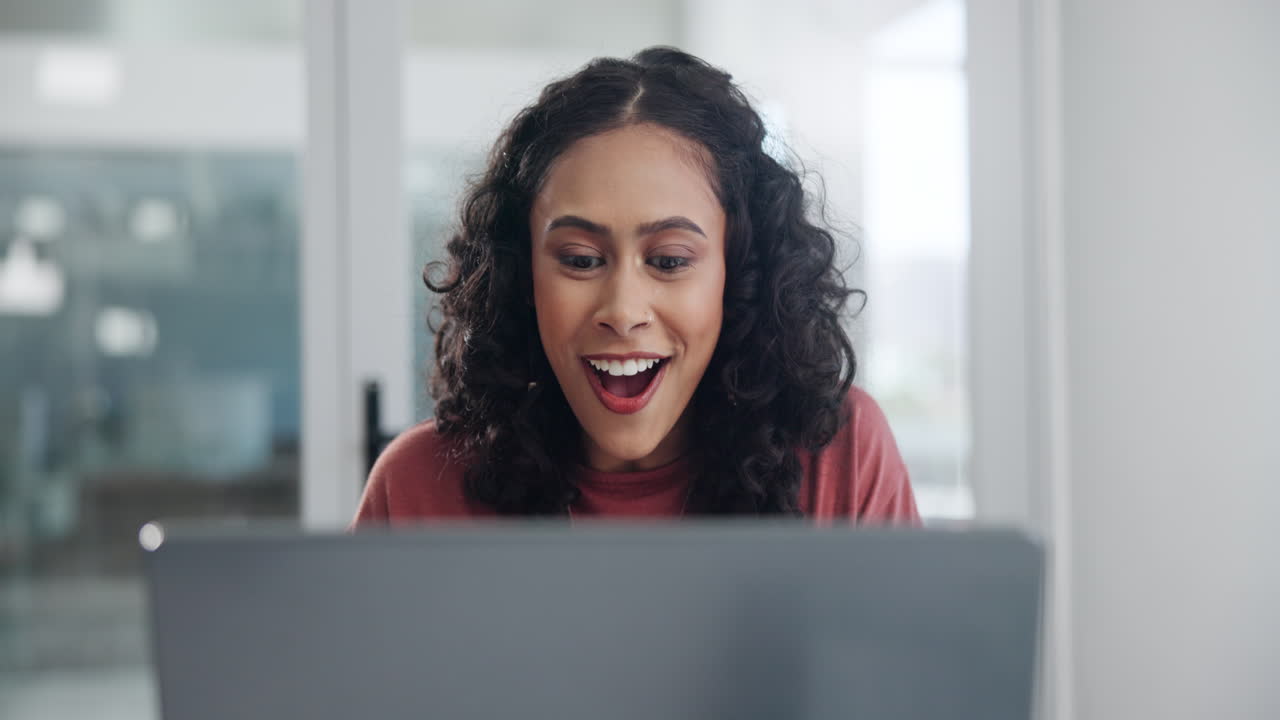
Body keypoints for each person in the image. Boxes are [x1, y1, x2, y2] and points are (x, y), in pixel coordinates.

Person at [352, 47, 919, 526]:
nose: (622, 312)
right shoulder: (416, 488)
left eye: (670, 261)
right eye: (579, 259)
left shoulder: (839, 455)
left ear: (739, 274)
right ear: (523, 275)